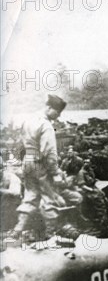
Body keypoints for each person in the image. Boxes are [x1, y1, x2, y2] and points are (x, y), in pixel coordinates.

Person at [10, 94, 68, 240]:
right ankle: (50, 234)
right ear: (49, 108)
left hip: (27, 161)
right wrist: (55, 172)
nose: (58, 115)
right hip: (40, 164)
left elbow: (20, 144)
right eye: (57, 112)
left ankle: (17, 230)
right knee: (49, 197)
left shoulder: (28, 120)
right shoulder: (46, 125)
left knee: (30, 196)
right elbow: (49, 151)